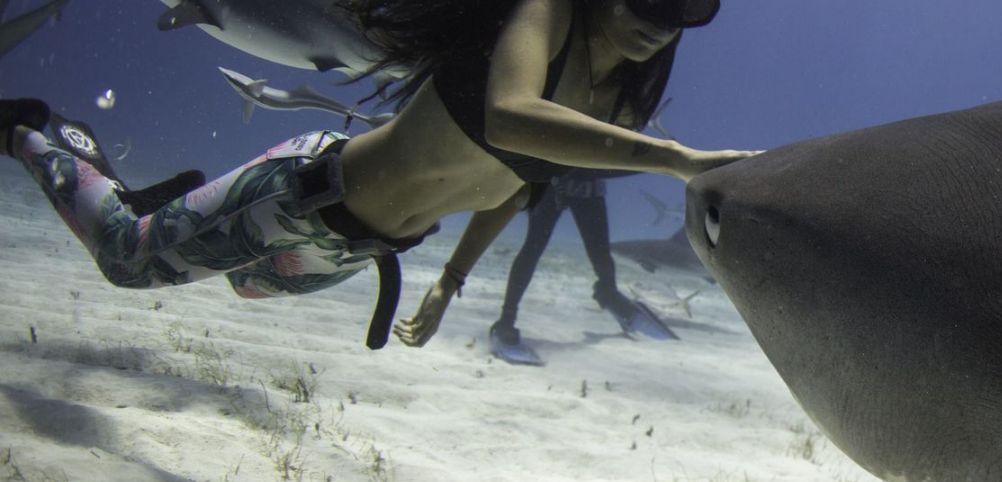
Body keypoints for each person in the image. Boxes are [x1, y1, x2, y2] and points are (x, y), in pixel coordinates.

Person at [0, 0, 753, 349]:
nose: (662, 15)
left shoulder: (619, 98)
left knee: (242, 282)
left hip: (363, 247)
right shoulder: (544, 15)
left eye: (689, 6)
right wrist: (677, 158)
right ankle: (40, 130)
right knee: (128, 261)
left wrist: (450, 281)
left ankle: (176, 203)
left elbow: (520, 183)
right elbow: (508, 119)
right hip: (306, 195)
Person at [487, 168, 680, 368]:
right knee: (533, 247)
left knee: (600, 253)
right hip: (550, 181)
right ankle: (506, 321)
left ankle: (609, 294)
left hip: (588, 182)